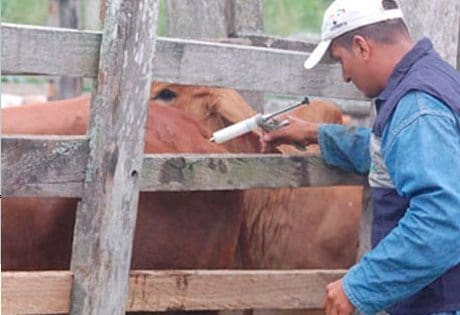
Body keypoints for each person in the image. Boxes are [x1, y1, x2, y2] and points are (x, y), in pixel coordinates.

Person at [261, 0, 460, 314]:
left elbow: (444, 218)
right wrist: (317, 134)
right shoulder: (431, 81)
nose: (344, 77)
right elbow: (396, 152)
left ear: (362, 47)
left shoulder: (417, 107)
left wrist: (359, 287)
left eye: (341, 60)